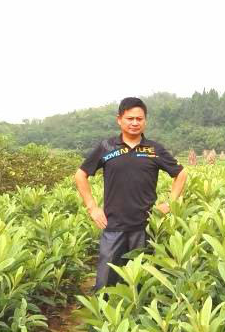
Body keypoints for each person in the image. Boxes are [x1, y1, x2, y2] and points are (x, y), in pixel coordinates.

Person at [75, 97, 188, 291]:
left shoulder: (154, 149)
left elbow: (181, 174)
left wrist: (170, 202)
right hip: (113, 226)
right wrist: (92, 207)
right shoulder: (107, 147)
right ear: (119, 119)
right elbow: (80, 175)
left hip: (145, 227)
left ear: (145, 121)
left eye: (139, 119)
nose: (135, 123)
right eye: (130, 118)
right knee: (105, 285)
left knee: (141, 284)